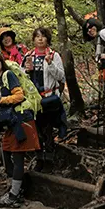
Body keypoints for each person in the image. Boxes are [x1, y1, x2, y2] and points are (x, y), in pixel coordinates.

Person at [0, 50, 39, 208]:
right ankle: (17, 189)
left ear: (1, 61)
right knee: (5, 153)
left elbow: (19, 96)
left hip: (21, 120)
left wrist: (0, 99)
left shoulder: (8, 75)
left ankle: (14, 195)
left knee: (17, 157)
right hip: (10, 123)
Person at [25, 27, 68, 171]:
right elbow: (22, 78)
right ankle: (39, 158)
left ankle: (49, 158)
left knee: (48, 129)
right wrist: (26, 70)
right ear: (33, 39)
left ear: (47, 39)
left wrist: (50, 64)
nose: (40, 39)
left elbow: (61, 77)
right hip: (33, 100)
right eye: (37, 36)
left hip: (49, 98)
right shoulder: (28, 56)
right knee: (36, 129)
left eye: (43, 36)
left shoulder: (54, 55)